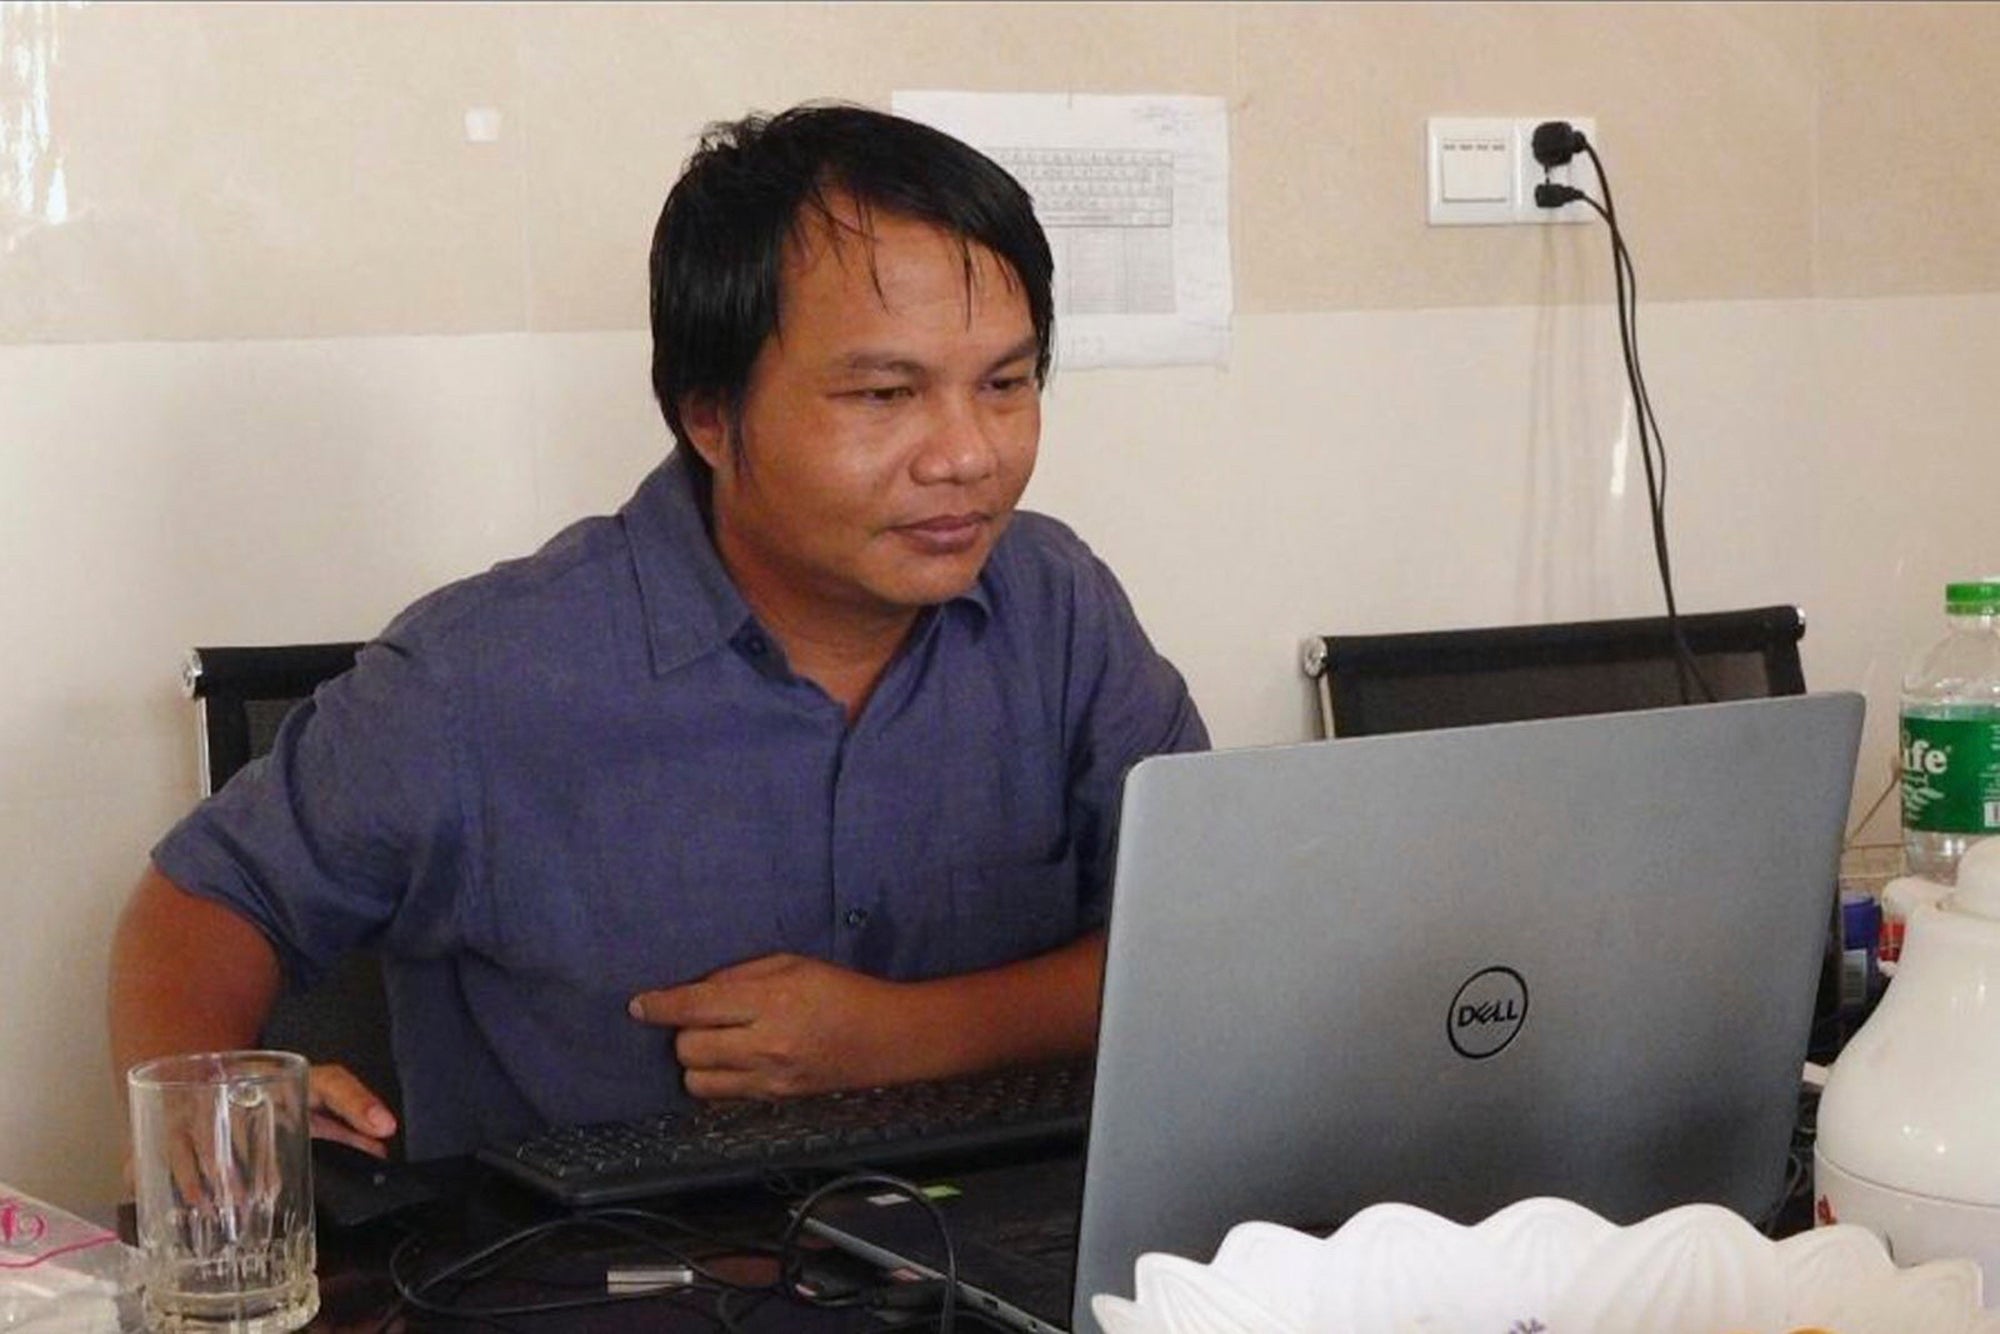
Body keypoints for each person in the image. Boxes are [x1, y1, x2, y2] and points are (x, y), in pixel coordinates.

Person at [107, 103, 1206, 1162]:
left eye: (1006, 383)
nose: (966, 453)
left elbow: (1201, 940)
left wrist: (908, 1034)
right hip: (591, 1282)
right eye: (884, 394)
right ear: (710, 413)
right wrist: (215, 1111)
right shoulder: (482, 673)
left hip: (994, 1261)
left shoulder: (1056, 606)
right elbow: (200, 906)